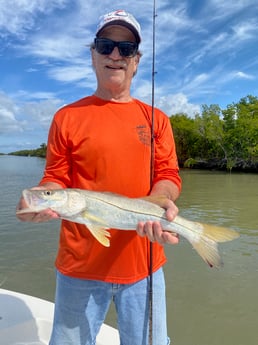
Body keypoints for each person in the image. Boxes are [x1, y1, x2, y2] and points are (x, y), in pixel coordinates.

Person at [17, 9, 181, 345]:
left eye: (126, 49)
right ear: (92, 55)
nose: (116, 56)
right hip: (79, 268)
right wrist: (41, 196)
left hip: (144, 264)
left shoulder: (158, 120)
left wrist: (161, 202)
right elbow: (55, 178)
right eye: (106, 46)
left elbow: (167, 175)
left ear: (137, 60)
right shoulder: (67, 117)